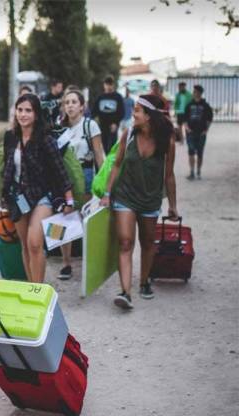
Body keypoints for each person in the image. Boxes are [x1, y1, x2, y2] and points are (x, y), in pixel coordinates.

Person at [100, 94, 179, 308]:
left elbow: (169, 175)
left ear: (149, 116)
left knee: (147, 244)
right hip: (125, 196)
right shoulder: (129, 134)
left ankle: (144, 282)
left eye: (137, 111)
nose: (132, 114)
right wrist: (107, 193)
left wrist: (172, 205)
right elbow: (116, 165)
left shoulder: (166, 142)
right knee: (125, 242)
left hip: (150, 199)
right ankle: (125, 292)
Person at [1, 93, 74, 283]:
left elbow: (60, 171)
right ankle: (32, 288)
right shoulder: (10, 137)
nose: (23, 114)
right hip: (18, 196)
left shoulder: (45, 139)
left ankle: (38, 290)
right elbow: (7, 168)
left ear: (36, 114)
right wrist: (4, 194)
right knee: (25, 245)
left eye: (28, 110)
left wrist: (69, 199)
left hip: (42, 196)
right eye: (20, 110)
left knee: (35, 244)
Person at [57, 89, 106, 280]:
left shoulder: (90, 125)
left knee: (84, 219)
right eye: (66, 102)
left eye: (73, 102)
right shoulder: (59, 127)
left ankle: (91, 265)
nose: (69, 105)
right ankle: (66, 264)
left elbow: (99, 156)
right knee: (63, 218)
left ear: (82, 106)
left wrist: (103, 186)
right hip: (65, 175)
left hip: (85, 174)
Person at [184, 85, 213, 180]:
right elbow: (184, 118)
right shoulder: (189, 104)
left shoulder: (205, 105)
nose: (193, 93)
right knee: (191, 152)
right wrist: (187, 128)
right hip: (190, 132)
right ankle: (192, 172)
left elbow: (209, 118)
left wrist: (206, 130)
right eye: (194, 91)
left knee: (200, 153)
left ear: (200, 93)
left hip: (201, 133)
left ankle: (198, 171)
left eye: (195, 91)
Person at [92, 76, 125, 152]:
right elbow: (94, 111)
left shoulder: (118, 97)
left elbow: (122, 112)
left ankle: (112, 162)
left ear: (113, 85)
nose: (108, 86)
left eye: (110, 84)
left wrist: (116, 123)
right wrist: (95, 119)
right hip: (102, 126)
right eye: (107, 84)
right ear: (104, 85)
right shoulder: (100, 97)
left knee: (113, 147)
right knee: (104, 146)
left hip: (113, 126)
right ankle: (107, 161)